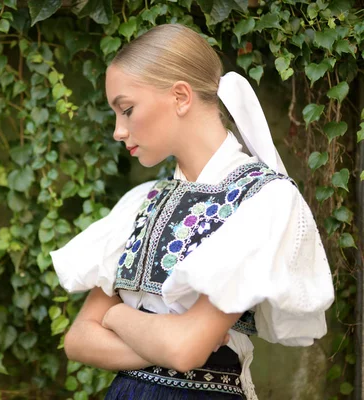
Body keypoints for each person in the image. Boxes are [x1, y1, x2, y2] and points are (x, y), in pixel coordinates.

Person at [50, 24, 334, 400]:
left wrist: (115, 317)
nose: (119, 131)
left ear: (181, 96)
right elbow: (79, 340)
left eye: (127, 109)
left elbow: (186, 348)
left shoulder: (263, 200)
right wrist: (166, 342)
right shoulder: (144, 201)